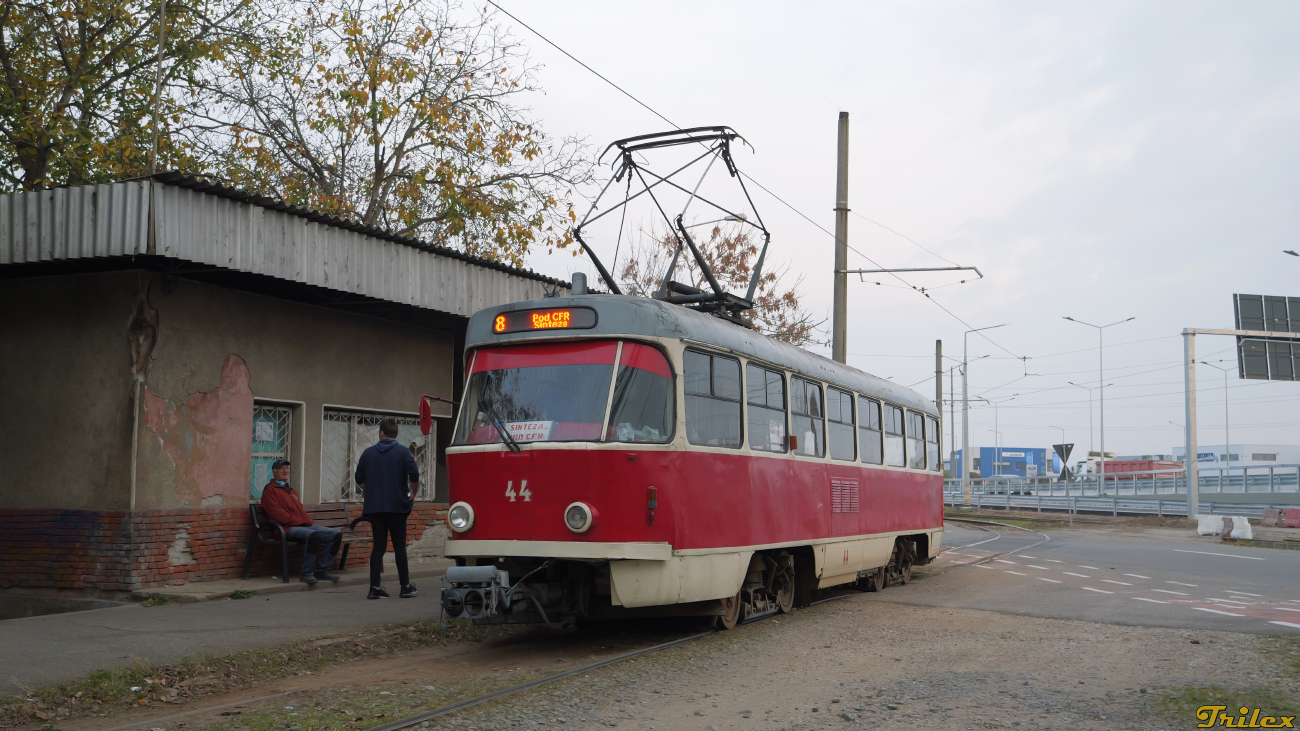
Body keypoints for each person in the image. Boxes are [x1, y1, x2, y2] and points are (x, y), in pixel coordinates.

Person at [355, 417, 420, 599]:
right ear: (395, 434)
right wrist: (413, 493)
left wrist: (372, 489)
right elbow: (414, 475)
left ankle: (374, 588)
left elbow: (359, 478)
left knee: (378, 547)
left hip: (375, 508)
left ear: (381, 433)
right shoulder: (403, 453)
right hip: (397, 507)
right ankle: (405, 586)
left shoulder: (368, 453)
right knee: (399, 547)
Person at [259, 459, 342, 584]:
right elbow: (278, 515)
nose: (285, 470)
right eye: (282, 468)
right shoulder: (270, 490)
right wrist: (302, 521)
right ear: (274, 472)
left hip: (302, 526)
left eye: (287, 468)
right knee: (314, 536)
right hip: (285, 529)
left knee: (335, 535)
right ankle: (306, 573)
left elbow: (300, 511)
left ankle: (321, 570)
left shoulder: (290, 490)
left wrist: (306, 521)